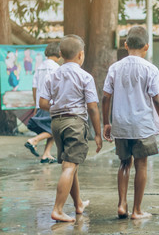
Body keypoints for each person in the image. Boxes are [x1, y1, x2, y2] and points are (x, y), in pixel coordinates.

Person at [102, 26, 159, 220]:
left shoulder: (115, 68)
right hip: (143, 126)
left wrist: (107, 123)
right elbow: (157, 99)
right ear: (146, 46)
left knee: (124, 163)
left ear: (125, 45)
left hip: (121, 124)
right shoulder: (150, 69)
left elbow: (106, 97)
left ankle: (122, 204)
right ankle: (137, 210)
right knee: (141, 165)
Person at [39, 34, 102, 222]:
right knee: (69, 166)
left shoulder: (53, 74)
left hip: (57, 123)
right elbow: (92, 107)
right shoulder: (85, 76)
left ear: (60, 53)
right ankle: (57, 209)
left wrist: (59, 107)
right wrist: (98, 133)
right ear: (81, 55)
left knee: (70, 163)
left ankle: (78, 204)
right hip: (74, 123)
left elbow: (42, 102)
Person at [25, 43, 60, 164]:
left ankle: (46, 154)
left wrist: (36, 105)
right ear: (59, 54)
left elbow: (34, 87)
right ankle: (34, 140)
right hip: (51, 103)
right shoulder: (56, 68)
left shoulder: (39, 67)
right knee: (55, 129)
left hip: (41, 103)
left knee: (50, 129)